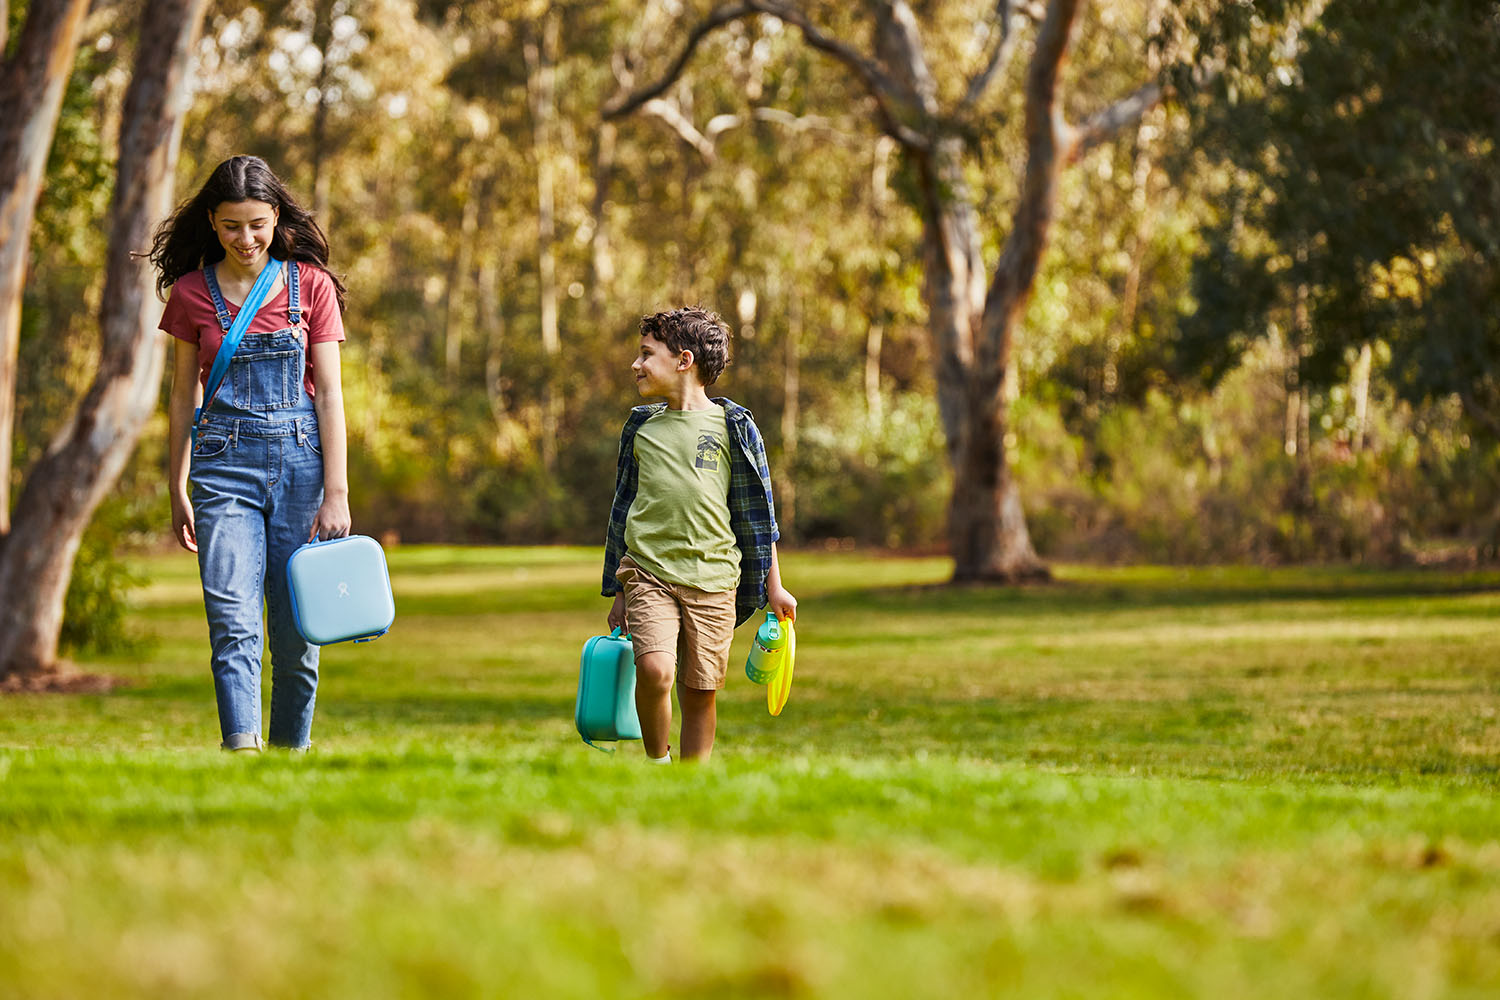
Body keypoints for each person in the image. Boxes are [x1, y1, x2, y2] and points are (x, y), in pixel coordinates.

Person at [152, 155, 351, 752]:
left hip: (302, 466)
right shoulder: (190, 293)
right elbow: (183, 394)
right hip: (222, 467)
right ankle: (242, 751)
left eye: (258, 224)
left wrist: (337, 493)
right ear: (212, 222)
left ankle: (290, 758)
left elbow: (330, 395)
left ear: (277, 218)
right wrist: (177, 485)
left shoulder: (311, 286)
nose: (246, 239)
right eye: (232, 226)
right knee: (232, 620)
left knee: (297, 633)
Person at [602, 307, 797, 763]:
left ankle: (692, 783)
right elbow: (622, 509)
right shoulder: (641, 429)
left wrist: (775, 587)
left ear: (683, 361)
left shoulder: (735, 428)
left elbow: (759, 515)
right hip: (649, 572)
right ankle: (658, 762)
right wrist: (619, 589)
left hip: (714, 580)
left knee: (700, 691)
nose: (636, 364)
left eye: (646, 354)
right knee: (655, 670)